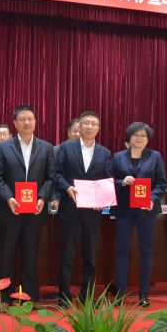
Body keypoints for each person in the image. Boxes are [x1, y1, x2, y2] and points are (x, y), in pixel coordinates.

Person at [0, 105, 55, 307]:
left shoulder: (46, 148)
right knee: (6, 254)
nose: (27, 122)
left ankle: (30, 297)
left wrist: (42, 198)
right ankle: (3, 297)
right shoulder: (3, 147)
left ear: (35, 122)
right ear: (15, 123)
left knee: (30, 255)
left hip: (35, 211)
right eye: (22, 119)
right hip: (10, 210)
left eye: (30, 119)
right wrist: (8, 197)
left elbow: (51, 177)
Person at [55, 110, 113, 303]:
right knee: (67, 255)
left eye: (93, 123)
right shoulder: (66, 148)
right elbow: (56, 174)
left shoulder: (105, 153)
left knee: (90, 257)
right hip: (69, 209)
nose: (89, 126)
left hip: (92, 212)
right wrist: (67, 187)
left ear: (98, 128)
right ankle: (63, 296)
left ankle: (86, 296)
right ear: (79, 126)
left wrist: (103, 200)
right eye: (86, 123)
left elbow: (107, 179)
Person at [112, 122, 167, 307]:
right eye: (136, 135)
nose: (139, 138)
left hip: (147, 210)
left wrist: (152, 198)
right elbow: (110, 180)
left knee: (146, 250)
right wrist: (121, 182)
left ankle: (144, 294)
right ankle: (120, 294)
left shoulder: (155, 156)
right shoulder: (118, 157)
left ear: (148, 139)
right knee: (122, 250)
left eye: (143, 135)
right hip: (124, 210)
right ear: (129, 137)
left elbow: (161, 183)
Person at [50, 118, 80, 212]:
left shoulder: (88, 152)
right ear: (68, 133)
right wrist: (54, 198)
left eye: (80, 131)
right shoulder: (56, 151)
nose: (78, 134)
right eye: (75, 131)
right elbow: (51, 176)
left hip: (82, 199)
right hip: (60, 200)